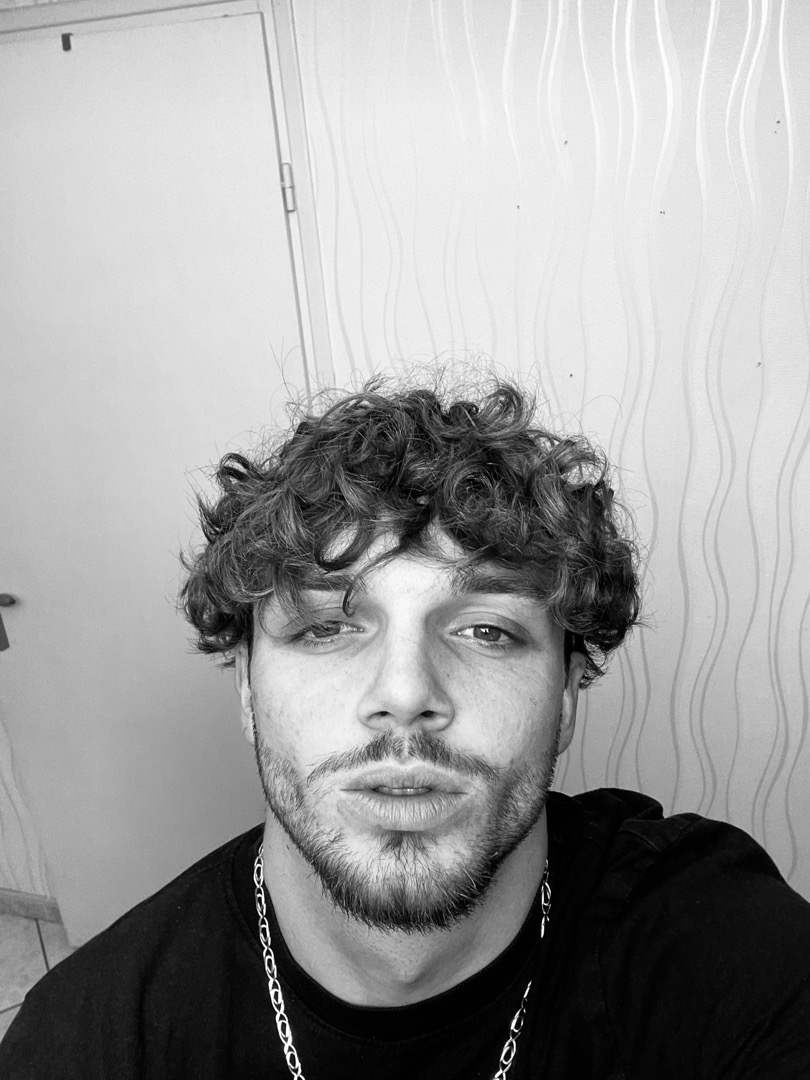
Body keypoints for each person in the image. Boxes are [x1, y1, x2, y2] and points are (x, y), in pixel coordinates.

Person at [2, 374, 809, 1079]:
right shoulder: (85, 1039)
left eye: (487, 630)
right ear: (247, 685)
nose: (404, 693)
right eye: (326, 627)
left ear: (566, 692)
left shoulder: (725, 956)